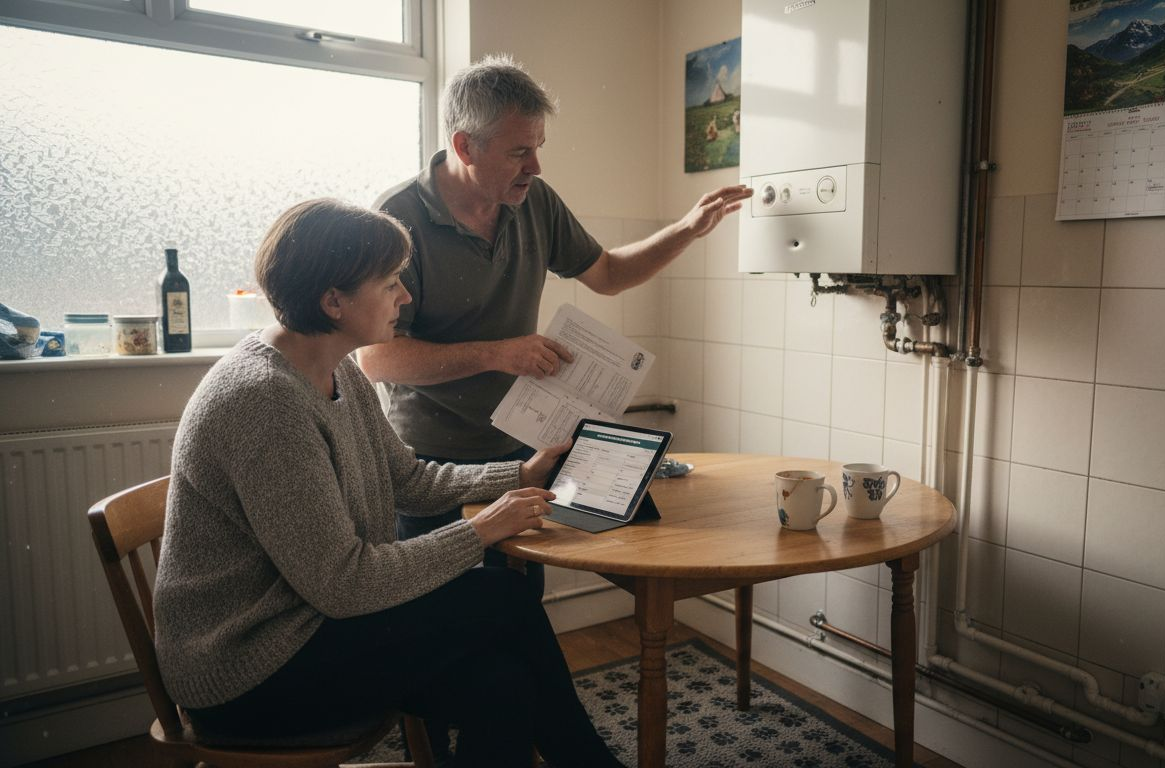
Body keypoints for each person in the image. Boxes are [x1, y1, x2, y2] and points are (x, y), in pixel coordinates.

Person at [152, 198, 622, 768]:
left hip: (309, 625)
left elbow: (409, 479)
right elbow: (344, 583)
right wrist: (481, 533)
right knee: (503, 598)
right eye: (391, 283)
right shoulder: (264, 402)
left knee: (503, 683)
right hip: (250, 672)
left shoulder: (336, 367)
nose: (405, 297)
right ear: (333, 302)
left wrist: (517, 475)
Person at [359, 54, 752, 551]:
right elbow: (376, 359)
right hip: (432, 465)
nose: (536, 166)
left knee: (520, 601)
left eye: (539, 147)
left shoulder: (535, 201)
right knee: (442, 614)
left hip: (523, 452)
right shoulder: (397, 218)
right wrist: (498, 353)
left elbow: (607, 274)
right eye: (519, 151)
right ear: (465, 146)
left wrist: (687, 230)